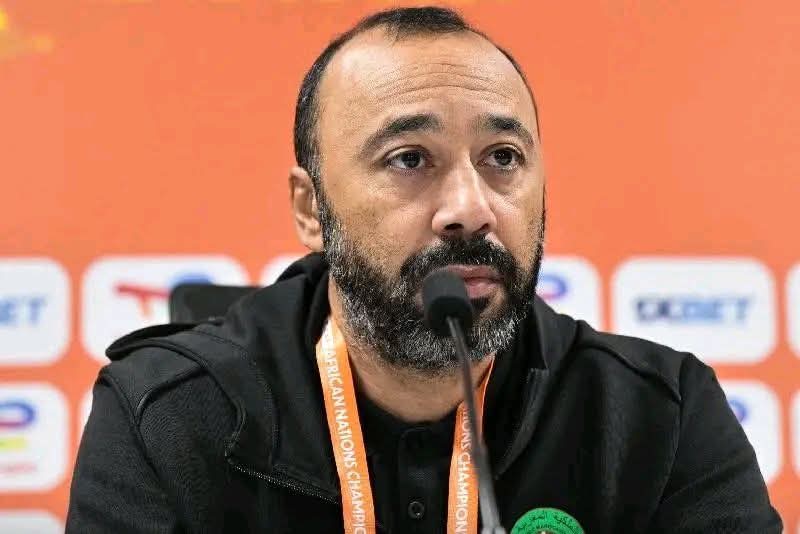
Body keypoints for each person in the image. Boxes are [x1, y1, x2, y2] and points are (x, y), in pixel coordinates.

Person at [66, 6, 782, 533]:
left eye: (502, 158)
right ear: (312, 209)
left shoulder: (660, 418)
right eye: (410, 159)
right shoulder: (168, 417)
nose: (470, 208)